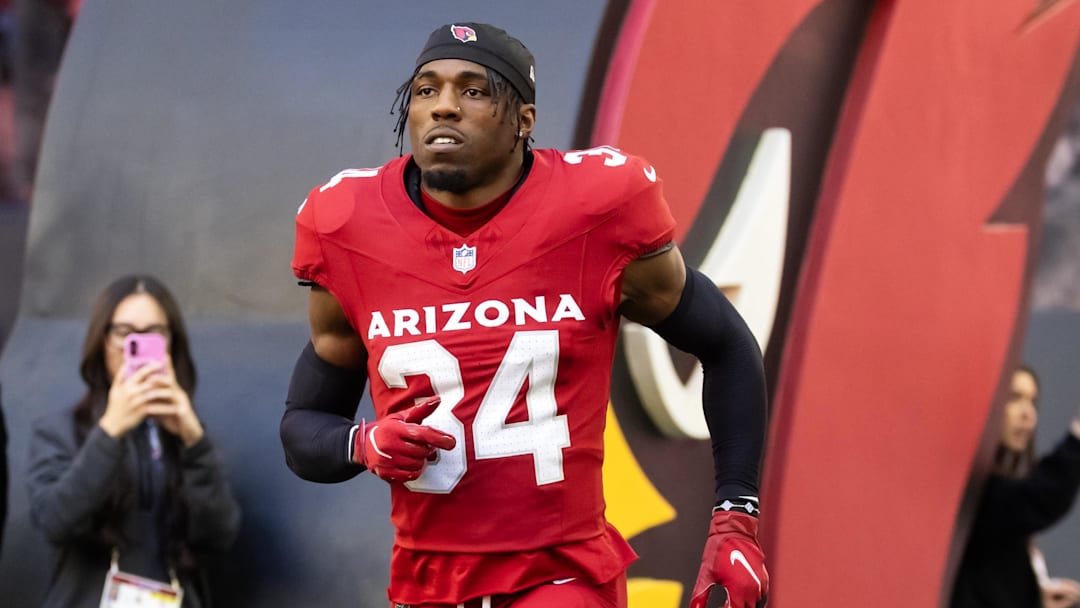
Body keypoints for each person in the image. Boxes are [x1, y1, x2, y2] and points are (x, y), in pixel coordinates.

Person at [280, 22, 769, 608]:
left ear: (524, 121)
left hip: (560, 576)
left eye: (474, 90)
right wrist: (362, 443)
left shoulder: (595, 209)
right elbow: (304, 426)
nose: (444, 108)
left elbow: (727, 345)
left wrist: (734, 519)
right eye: (426, 90)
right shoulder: (347, 226)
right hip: (425, 583)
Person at [27, 275, 241, 608]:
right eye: (125, 334)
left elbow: (222, 533)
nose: (137, 346)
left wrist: (192, 440)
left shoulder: (187, 435)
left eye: (154, 333)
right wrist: (110, 430)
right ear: (102, 341)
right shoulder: (59, 431)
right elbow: (55, 520)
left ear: (171, 344)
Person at [951, 365, 1080, 608]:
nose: (1028, 413)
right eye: (1014, 398)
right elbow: (1044, 496)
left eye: (1033, 401)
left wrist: (1036, 598)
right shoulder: (975, 492)